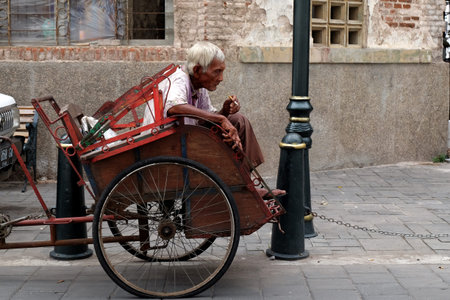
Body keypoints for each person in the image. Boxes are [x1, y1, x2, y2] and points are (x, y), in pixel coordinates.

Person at [143, 41, 284, 198]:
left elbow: (206, 119)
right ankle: (242, 188)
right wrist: (221, 118)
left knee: (238, 120)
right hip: (167, 147)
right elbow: (174, 107)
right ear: (197, 70)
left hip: (184, 141)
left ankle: (244, 184)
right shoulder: (179, 79)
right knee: (228, 122)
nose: (221, 78)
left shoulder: (198, 87)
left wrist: (224, 111)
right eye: (217, 72)